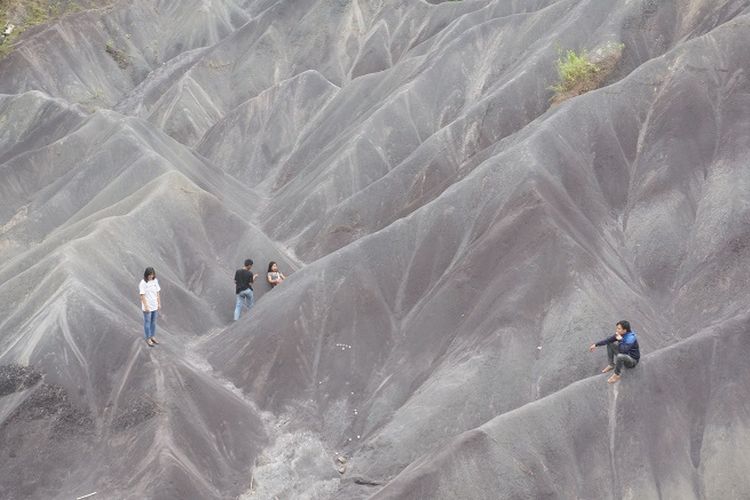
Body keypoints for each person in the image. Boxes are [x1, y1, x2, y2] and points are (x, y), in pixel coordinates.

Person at [139, 267, 161, 346]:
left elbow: (157, 292)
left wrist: (159, 303)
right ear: (146, 274)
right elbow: (142, 295)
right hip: (147, 307)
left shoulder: (155, 281)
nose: (151, 276)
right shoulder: (143, 283)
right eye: (149, 275)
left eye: (152, 275)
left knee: (153, 322)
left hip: (154, 305)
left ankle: (152, 336)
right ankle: (148, 338)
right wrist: (146, 306)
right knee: (147, 322)